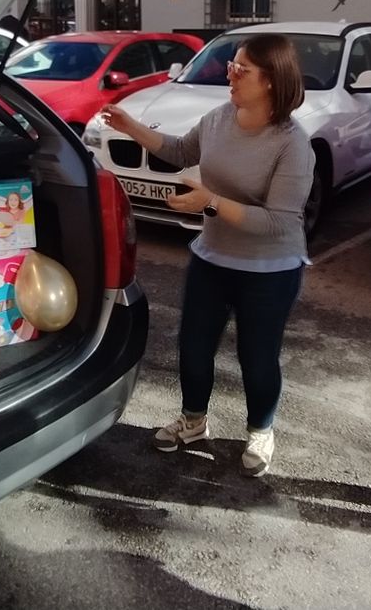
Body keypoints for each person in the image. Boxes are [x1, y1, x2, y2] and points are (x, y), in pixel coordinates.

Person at [101, 34, 313, 478]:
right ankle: (193, 421)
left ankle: (260, 430)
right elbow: (181, 151)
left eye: (241, 69)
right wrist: (131, 126)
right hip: (213, 258)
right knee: (193, 347)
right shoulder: (219, 118)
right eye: (231, 65)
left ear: (271, 81)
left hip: (270, 270)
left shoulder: (292, 144)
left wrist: (210, 202)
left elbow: (278, 222)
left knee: (257, 357)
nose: (229, 74)